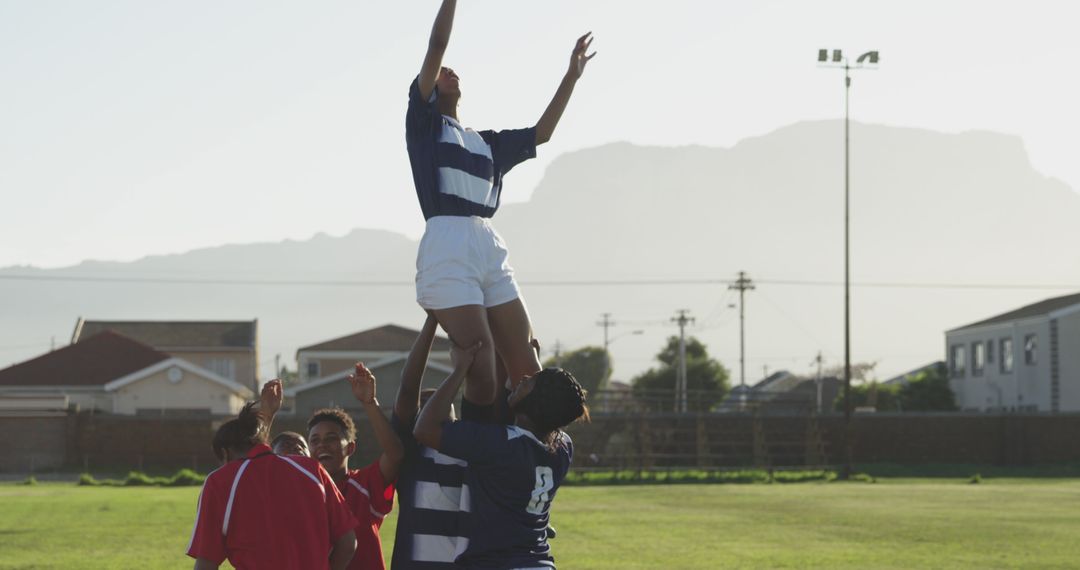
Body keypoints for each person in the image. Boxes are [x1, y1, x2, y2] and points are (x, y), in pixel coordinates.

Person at [405, 0, 597, 410]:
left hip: (487, 241)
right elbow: (437, 44)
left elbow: (541, 133)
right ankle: (481, 447)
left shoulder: (487, 142)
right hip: (447, 241)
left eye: (453, 70)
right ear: (427, 87)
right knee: (482, 363)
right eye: (439, 73)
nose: (447, 71)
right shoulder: (424, 127)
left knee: (526, 362)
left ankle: (530, 446)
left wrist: (571, 77)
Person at [414, 344, 589, 569]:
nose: (523, 378)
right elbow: (548, 409)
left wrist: (459, 370)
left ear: (534, 403)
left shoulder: (500, 444)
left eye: (529, 382)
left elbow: (424, 429)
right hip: (538, 562)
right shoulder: (564, 446)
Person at [187, 380, 358, 570]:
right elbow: (348, 543)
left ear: (225, 454)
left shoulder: (220, 481)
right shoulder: (312, 469)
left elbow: (206, 563)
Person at [309, 363, 405, 570]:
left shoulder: (363, 484)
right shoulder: (304, 492)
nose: (322, 444)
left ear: (350, 448)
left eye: (331, 438)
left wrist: (370, 402)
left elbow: (395, 455)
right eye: (315, 440)